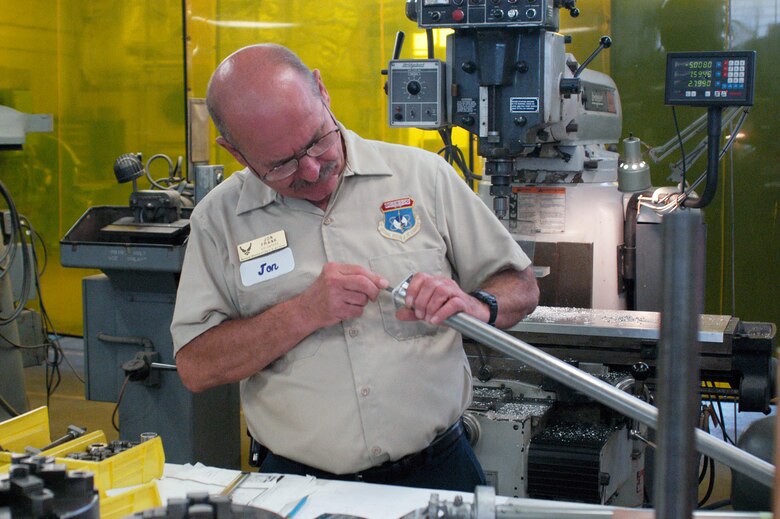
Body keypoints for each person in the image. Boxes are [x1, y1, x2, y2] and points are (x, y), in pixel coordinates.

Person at [170, 43, 539, 492]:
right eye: (282, 164)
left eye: (315, 141)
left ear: (322, 91)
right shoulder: (218, 221)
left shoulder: (424, 177)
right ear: (236, 152)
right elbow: (196, 366)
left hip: (439, 473)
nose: (310, 169)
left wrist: (477, 305)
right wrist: (301, 313)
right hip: (295, 484)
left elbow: (520, 284)